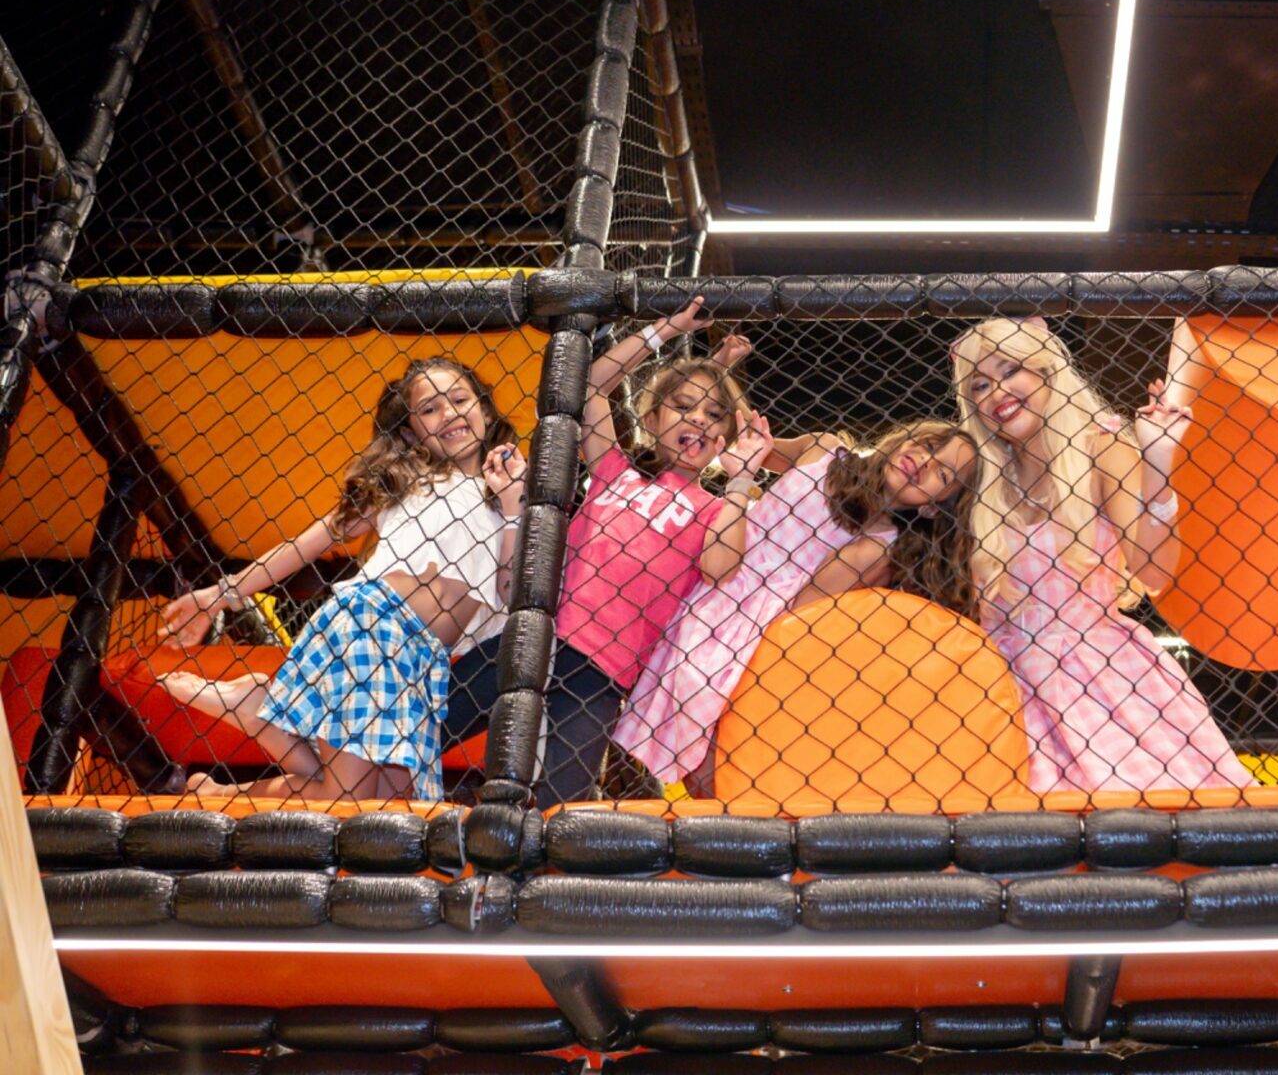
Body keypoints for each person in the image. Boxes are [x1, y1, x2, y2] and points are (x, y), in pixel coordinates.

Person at [441, 298, 760, 805]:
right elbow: (588, 386)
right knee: (429, 724)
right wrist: (666, 328)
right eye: (682, 407)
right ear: (652, 419)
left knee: (562, 801)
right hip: (538, 636)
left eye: (713, 414)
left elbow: (720, 567)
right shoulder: (616, 472)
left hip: (604, 673)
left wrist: (742, 481)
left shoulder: (715, 508)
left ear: (726, 437)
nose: (698, 419)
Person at [160, 357, 522, 801]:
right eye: (430, 408)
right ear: (410, 433)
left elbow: (508, 590)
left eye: (460, 400)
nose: (448, 413)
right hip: (371, 626)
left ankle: (249, 733)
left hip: (423, 661)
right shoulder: (406, 484)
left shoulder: (511, 500)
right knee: (350, 798)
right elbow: (306, 544)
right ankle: (239, 755)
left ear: (486, 411)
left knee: (388, 802)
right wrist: (220, 594)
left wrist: (512, 504)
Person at [950, 317, 1252, 793]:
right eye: (980, 385)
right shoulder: (979, 480)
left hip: (1100, 678)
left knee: (1141, 813)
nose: (997, 392)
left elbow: (1154, 571)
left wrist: (1157, 465)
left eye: (1010, 371)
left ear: (1047, 371)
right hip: (998, 690)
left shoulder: (1101, 449)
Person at [611, 419, 979, 793]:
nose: (924, 462)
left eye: (943, 473)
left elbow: (806, 610)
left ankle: (717, 816)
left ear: (934, 509)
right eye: (927, 445)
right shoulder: (826, 450)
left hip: (757, 626)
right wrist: (743, 437)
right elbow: (752, 447)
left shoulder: (880, 547)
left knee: (710, 747)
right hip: (717, 558)